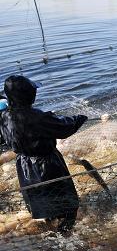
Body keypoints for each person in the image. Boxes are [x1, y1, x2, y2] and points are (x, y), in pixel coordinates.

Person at [0, 75, 88, 232]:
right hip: (47, 166)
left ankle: (50, 232)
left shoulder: (4, 116)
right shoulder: (38, 117)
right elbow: (64, 128)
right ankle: (64, 235)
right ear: (29, 95)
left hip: (24, 167)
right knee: (68, 207)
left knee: (43, 206)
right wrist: (79, 118)